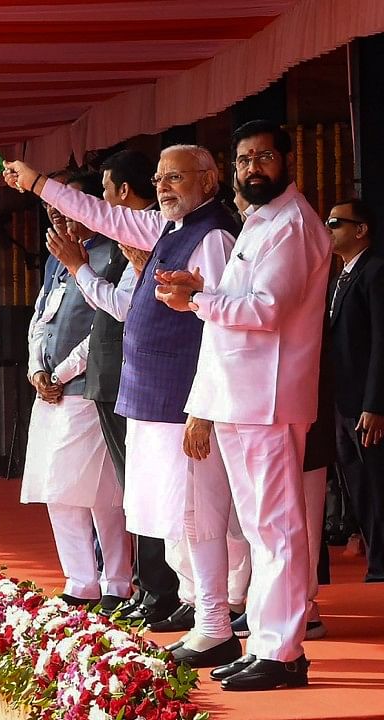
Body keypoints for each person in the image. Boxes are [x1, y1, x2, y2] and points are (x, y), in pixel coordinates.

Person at [23, 148, 245, 667]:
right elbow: (104, 215)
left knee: (203, 514)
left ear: (209, 181)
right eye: (160, 178)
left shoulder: (211, 237)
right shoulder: (169, 230)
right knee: (176, 514)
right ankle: (205, 615)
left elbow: (220, 330)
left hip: (186, 403)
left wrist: (205, 406)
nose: (164, 187)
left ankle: (216, 622)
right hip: (154, 401)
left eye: (176, 178)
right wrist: (38, 185)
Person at [156, 120, 332, 690]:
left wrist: (198, 297)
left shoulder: (293, 224)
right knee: (259, 529)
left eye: (263, 157)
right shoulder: (261, 222)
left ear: (286, 160)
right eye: (243, 160)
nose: (253, 168)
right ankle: (266, 642)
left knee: (277, 528)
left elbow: (266, 310)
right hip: (239, 395)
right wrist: (198, 292)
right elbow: (237, 306)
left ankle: (283, 654)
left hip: (269, 396)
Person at [18, 170, 132, 613]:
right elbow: (40, 316)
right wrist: (36, 367)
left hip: (85, 386)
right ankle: (79, 579)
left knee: (98, 490)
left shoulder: (110, 253)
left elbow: (105, 326)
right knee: (56, 487)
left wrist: (62, 373)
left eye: (65, 206)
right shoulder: (53, 256)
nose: (57, 216)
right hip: (49, 389)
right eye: (50, 209)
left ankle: (117, 580)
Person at [325, 198, 384, 582]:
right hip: (340, 402)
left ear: (360, 229)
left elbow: (382, 341)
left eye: (335, 223)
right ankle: (376, 560)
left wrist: (375, 404)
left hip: (365, 404)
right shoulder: (339, 276)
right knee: (358, 486)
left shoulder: (376, 272)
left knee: (377, 484)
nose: (328, 230)